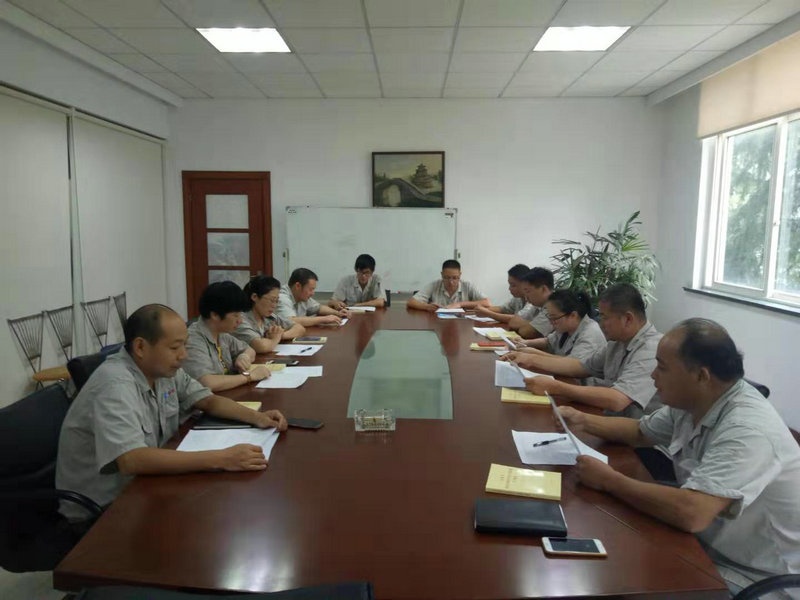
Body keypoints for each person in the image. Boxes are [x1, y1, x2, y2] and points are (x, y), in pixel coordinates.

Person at [558, 318, 800, 596]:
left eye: (662, 367)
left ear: (701, 376)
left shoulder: (748, 429)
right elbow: (639, 431)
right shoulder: (696, 400)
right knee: (607, 546)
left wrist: (609, 480)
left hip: (755, 576)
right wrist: (580, 420)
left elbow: (692, 513)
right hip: (706, 543)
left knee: (618, 577)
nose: (653, 375)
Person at [56, 304, 288, 522]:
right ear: (140, 347)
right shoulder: (115, 384)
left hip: (146, 485)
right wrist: (223, 458)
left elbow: (207, 400)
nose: (183, 355)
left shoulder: (160, 368)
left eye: (184, 345)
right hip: (104, 510)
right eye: (175, 348)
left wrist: (258, 417)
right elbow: (132, 460)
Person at [502, 283, 661, 417]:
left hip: (635, 437)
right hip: (608, 418)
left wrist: (556, 387)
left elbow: (617, 399)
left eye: (605, 317)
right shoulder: (617, 342)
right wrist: (530, 359)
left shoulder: (652, 348)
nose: (601, 323)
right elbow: (580, 366)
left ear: (628, 319)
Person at [182, 281, 272, 392]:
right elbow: (207, 383)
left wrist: (244, 357)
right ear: (215, 315)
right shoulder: (193, 339)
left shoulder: (221, 333)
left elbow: (250, 350)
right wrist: (249, 376)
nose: (240, 321)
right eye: (235, 315)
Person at [514, 289, 606, 362]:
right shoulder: (566, 327)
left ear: (573, 315)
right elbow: (549, 341)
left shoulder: (590, 333)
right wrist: (526, 343)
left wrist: (535, 354)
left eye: (554, 318)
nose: (551, 322)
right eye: (549, 317)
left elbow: (572, 365)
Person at [233, 275, 306, 353]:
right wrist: (275, 338)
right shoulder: (240, 320)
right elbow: (261, 346)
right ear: (255, 297)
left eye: (276, 301)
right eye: (272, 300)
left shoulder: (269, 317)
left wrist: (281, 335)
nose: (274, 305)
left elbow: (299, 328)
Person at [407, 259, 491, 312]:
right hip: (438, 323)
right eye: (447, 278)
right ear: (441, 274)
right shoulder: (434, 285)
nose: (451, 282)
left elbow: (487, 303)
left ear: (460, 275)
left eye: (455, 278)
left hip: (462, 324)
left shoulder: (467, 286)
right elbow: (411, 302)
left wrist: (460, 304)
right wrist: (426, 307)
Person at [276, 267, 349, 327]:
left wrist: (337, 313)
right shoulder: (282, 298)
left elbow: (318, 308)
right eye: (311, 289)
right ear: (298, 286)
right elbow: (290, 321)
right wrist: (324, 319)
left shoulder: (301, 295)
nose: (313, 293)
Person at [507, 267, 554, 339]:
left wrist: (530, 325)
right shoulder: (537, 305)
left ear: (543, 289)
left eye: (528, 291)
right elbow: (513, 322)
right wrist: (533, 324)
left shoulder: (555, 307)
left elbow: (526, 332)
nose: (526, 298)